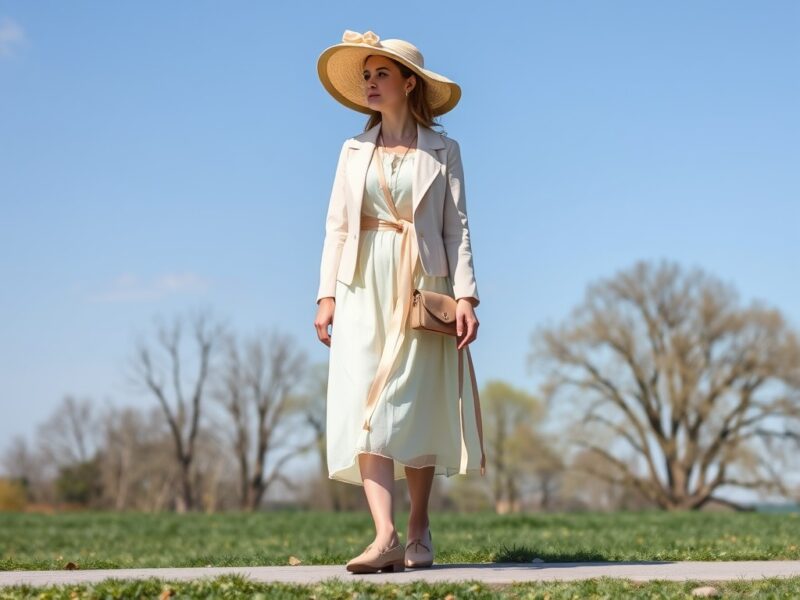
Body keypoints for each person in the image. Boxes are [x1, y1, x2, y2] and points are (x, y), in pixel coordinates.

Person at [313, 29, 486, 574]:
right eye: (366, 75)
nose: (370, 82)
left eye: (380, 73)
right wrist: (325, 295)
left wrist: (465, 295)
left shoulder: (444, 151)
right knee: (364, 401)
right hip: (361, 283)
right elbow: (338, 226)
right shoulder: (351, 150)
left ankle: (417, 528)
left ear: (409, 83)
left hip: (422, 282)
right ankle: (383, 534)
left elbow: (456, 227)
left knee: (413, 402)